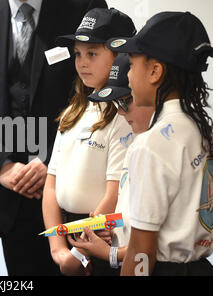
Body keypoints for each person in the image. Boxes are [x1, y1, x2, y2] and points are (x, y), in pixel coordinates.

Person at [0, 0, 107, 276]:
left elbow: (99, 94)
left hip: (77, 205)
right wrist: (2, 166)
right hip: (11, 204)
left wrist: (52, 161)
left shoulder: (83, 9)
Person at [105, 11, 213, 276]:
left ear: (155, 71)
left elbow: (142, 251)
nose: (128, 76)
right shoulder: (198, 129)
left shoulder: (151, 144)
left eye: (132, 65)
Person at [42, 8, 136, 275]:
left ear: (120, 56)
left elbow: (113, 194)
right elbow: (51, 187)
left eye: (92, 53)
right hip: (73, 238)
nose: (82, 62)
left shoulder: (125, 116)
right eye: (78, 54)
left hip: (104, 239)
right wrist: (58, 249)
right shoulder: (73, 112)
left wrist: (80, 252)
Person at [67, 53, 154, 276]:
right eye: (116, 103)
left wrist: (109, 254)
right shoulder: (139, 144)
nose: (121, 111)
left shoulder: (154, 150)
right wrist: (107, 233)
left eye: (126, 100)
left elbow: (152, 247)